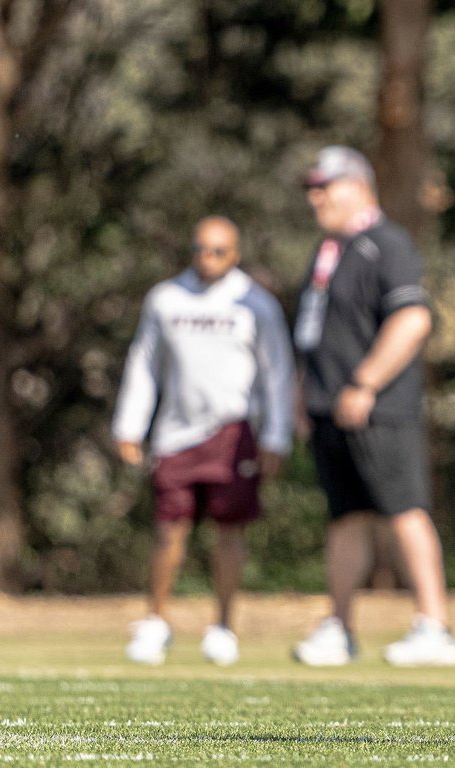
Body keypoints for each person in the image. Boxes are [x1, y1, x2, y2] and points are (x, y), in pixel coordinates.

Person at [291, 145, 455, 668]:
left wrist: (364, 384)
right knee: (345, 518)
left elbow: (412, 319)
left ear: (358, 187)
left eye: (325, 187)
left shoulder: (387, 243)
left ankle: (435, 627)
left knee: (405, 511)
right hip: (330, 411)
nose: (316, 198)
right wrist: (304, 395)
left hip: (381, 409)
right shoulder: (329, 252)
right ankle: (339, 627)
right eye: (312, 189)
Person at [112, 216, 295, 667]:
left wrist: (277, 435)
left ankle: (224, 627)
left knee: (229, 529)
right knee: (168, 529)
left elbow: (277, 373)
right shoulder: (166, 298)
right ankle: (156, 622)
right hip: (176, 434)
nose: (207, 258)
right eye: (200, 249)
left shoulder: (255, 303)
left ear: (235, 254)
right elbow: (144, 363)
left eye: (218, 251)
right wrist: (130, 425)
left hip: (234, 432)